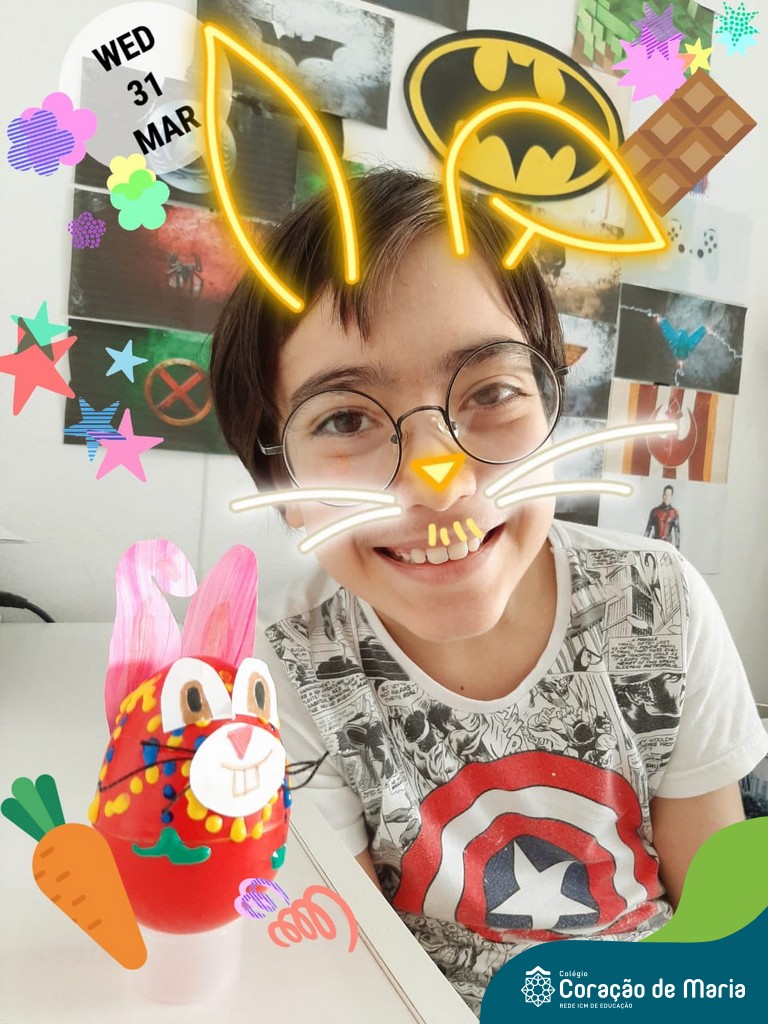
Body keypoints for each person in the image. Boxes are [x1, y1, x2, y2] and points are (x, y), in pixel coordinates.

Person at [209, 169, 766, 1015]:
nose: (440, 482)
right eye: (346, 420)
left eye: (492, 392)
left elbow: (723, 931)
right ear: (279, 477)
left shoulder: (658, 599)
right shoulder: (282, 665)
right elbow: (348, 968)